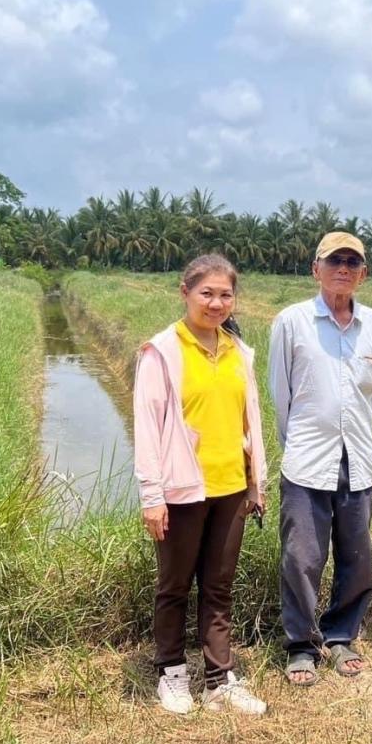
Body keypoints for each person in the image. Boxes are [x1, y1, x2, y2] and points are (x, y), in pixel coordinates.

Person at [132, 253, 268, 715]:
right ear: (184, 292)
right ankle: (171, 673)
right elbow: (147, 428)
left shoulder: (238, 351)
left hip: (230, 486)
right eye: (206, 293)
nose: (216, 303)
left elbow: (249, 423)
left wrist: (256, 483)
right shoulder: (162, 353)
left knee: (219, 586)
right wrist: (152, 497)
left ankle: (218, 680)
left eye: (225, 294)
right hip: (180, 490)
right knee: (174, 585)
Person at [269, 231, 372, 686]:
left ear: (364, 272)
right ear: (315, 269)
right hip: (306, 459)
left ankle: (340, 636)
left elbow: (370, 394)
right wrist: (296, 441)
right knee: (302, 557)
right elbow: (281, 394)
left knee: (358, 557)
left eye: (352, 262)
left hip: (357, 457)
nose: (343, 268)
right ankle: (301, 645)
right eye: (334, 260)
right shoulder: (292, 321)